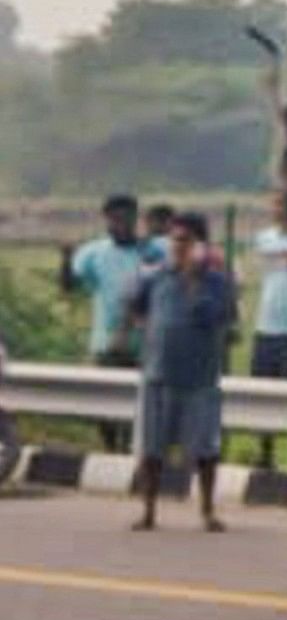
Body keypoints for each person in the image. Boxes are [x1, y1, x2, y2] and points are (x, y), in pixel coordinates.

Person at [123, 212, 239, 532]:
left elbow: (217, 317)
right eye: (174, 239)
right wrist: (144, 326)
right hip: (158, 374)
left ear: (201, 244)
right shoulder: (157, 274)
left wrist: (193, 279)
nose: (178, 246)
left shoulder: (218, 283)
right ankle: (148, 511)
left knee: (205, 449)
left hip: (199, 378)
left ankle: (207, 510)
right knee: (151, 447)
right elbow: (132, 299)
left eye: (185, 240)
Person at [63, 193, 150, 366]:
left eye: (124, 219)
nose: (119, 225)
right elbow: (69, 287)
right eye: (113, 220)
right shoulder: (92, 253)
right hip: (104, 347)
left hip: (145, 350)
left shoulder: (151, 252)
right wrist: (66, 259)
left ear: (135, 219)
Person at [246, 220, 287, 381]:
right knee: (259, 386)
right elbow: (263, 252)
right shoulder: (265, 236)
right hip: (265, 328)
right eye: (277, 204)